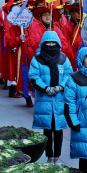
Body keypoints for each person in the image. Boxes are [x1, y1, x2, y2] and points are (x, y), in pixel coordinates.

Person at [28, 31, 73, 164]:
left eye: (54, 43)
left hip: (60, 99)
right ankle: (49, 156)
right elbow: (34, 77)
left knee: (58, 129)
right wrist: (46, 88)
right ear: (43, 43)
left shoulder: (63, 59)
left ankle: (57, 156)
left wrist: (60, 87)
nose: (51, 45)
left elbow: (68, 75)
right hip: (44, 99)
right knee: (47, 129)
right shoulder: (37, 59)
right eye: (49, 43)